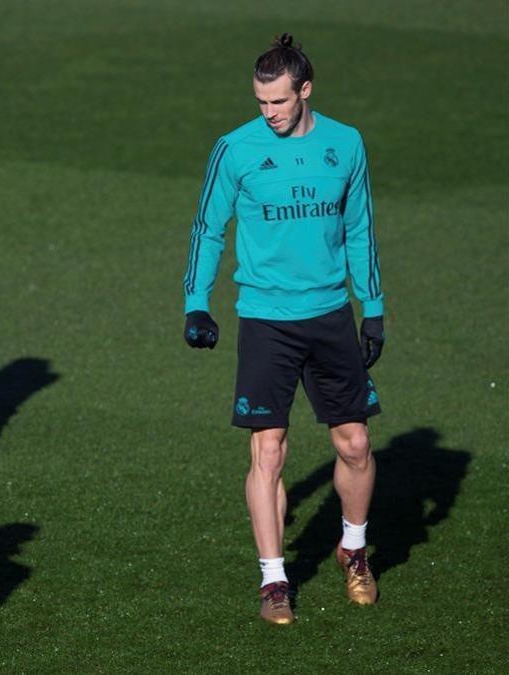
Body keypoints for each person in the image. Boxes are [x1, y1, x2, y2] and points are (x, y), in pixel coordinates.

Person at [182, 34, 385, 625]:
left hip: (329, 315)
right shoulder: (235, 150)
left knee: (354, 443)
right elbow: (207, 228)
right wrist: (197, 303)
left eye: (277, 101)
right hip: (266, 319)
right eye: (259, 101)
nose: (267, 112)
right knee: (268, 449)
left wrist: (371, 306)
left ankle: (353, 549)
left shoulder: (345, 144)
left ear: (305, 89)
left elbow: (361, 229)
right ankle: (274, 578)